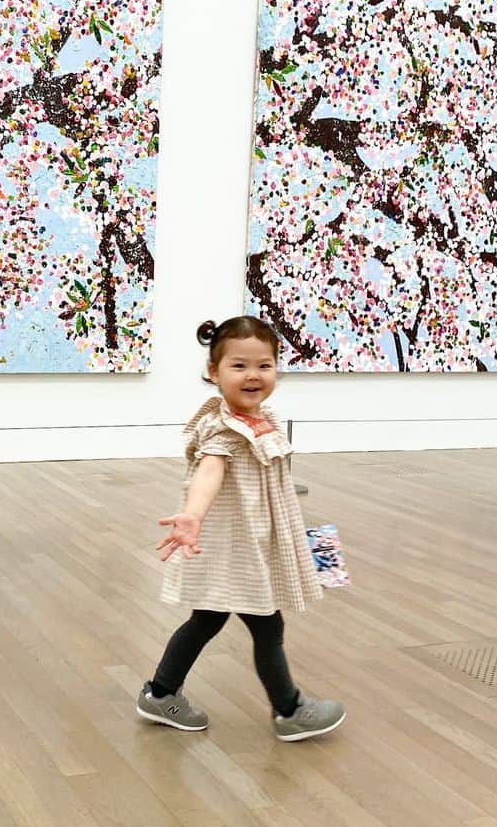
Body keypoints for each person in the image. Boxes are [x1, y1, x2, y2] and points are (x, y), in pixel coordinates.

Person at [136, 316, 346, 741]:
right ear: (214, 372)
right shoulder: (225, 428)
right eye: (239, 366)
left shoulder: (261, 415)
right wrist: (192, 513)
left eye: (264, 365)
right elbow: (210, 469)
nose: (253, 375)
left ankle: (160, 692)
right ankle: (288, 709)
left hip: (252, 541)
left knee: (206, 620)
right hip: (236, 548)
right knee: (268, 627)